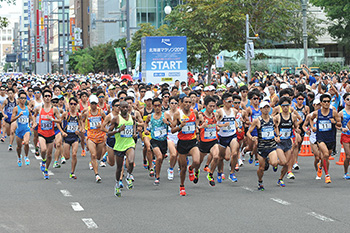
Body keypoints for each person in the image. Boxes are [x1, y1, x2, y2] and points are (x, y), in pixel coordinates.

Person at [171, 95, 200, 196]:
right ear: (182, 103)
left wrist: (196, 128)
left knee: (197, 160)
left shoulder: (194, 112)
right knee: (183, 168)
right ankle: (182, 186)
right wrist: (180, 126)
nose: (188, 104)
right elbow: (172, 130)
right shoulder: (178, 114)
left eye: (189, 102)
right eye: (186, 102)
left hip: (192, 141)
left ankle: (191, 168)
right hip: (182, 142)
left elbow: (196, 121)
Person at [247, 101, 279, 191]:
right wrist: (252, 137)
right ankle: (260, 181)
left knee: (275, 163)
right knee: (261, 168)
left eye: (267, 107)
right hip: (261, 147)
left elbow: (276, 127)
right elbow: (248, 132)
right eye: (264, 107)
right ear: (260, 109)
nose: (266, 109)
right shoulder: (257, 120)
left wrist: (277, 136)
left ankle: (270, 161)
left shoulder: (273, 119)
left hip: (271, 145)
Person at [310, 94, 341, 184]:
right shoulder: (317, 113)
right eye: (324, 101)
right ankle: (327, 175)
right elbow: (311, 119)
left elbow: (339, 124)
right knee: (326, 154)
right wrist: (313, 127)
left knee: (326, 157)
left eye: (328, 101)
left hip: (330, 138)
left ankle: (320, 167)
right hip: (320, 138)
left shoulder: (333, 112)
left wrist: (334, 122)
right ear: (321, 103)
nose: (326, 103)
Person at [108, 101, 137, 197]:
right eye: (123, 107)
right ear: (119, 108)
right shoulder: (116, 119)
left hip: (129, 143)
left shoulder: (132, 117)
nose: (125, 109)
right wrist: (118, 130)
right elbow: (109, 133)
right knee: (119, 168)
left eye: (126, 107)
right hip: (119, 146)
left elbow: (134, 124)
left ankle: (128, 176)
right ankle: (117, 184)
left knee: (131, 161)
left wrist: (134, 133)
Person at [33, 90, 62, 179]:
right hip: (41, 133)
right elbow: (34, 115)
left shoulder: (54, 109)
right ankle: (43, 160)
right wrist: (34, 122)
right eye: (45, 96)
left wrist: (52, 120)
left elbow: (60, 120)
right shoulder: (39, 108)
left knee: (49, 154)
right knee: (43, 150)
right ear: (43, 97)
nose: (47, 97)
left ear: (51, 97)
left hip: (51, 133)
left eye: (49, 96)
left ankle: (46, 169)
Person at [144, 97, 172, 185]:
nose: (157, 107)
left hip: (163, 141)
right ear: (153, 106)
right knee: (159, 157)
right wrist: (145, 130)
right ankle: (157, 177)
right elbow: (145, 122)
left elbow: (173, 125)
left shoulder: (166, 115)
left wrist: (167, 123)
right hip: (154, 140)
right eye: (155, 106)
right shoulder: (150, 116)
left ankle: (157, 170)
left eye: (158, 105)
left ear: (161, 106)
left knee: (161, 159)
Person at [273, 97, 299, 187]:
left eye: (287, 105)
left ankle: (280, 179)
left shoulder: (293, 116)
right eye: (283, 106)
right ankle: (274, 162)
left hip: (288, 142)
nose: (285, 108)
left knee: (287, 164)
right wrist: (275, 137)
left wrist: (297, 131)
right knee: (283, 162)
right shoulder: (277, 117)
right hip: (279, 143)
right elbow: (272, 128)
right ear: (280, 107)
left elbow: (295, 126)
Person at [81, 95, 107, 182]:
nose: (93, 105)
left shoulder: (101, 112)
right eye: (92, 103)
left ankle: (93, 162)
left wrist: (102, 125)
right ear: (90, 104)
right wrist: (82, 128)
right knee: (93, 155)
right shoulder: (87, 112)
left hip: (100, 136)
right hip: (91, 136)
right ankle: (97, 174)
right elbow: (81, 119)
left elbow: (107, 121)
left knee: (98, 157)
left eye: (95, 103)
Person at [216, 93, 240, 183]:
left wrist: (237, 127)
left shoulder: (234, 111)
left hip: (232, 135)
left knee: (234, 153)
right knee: (221, 157)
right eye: (229, 101)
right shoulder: (219, 112)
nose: (231, 103)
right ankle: (219, 172)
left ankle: (232, 173)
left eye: (232, 101)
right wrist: (223, 125)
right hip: (223, 137)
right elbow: (215, 124)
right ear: (224, 102)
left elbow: (234, 121)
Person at [198, 96, 220, 186]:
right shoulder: (201, 116)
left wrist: (217, 127)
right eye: (210, 106)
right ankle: (196, 172)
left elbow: (216, 125)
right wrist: (201, 127)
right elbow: (196, 128)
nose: (212, 108)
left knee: (216, 156)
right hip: (203, 142)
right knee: (198, 162)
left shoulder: (216, 115)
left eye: (213, 106)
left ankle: (210, 174)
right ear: (205, 106)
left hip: (213, 140)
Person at [59, 97, 83, 179]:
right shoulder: (65, 114)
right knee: (67, 157)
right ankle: (63, 155)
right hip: (67, 137)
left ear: (77, 105)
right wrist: (62, 132)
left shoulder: (78, 115)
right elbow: (58, 123)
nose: (73, 106)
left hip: (75, 137)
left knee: (74, 154)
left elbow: (81, 126)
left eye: (74, 104)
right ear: (69, 105)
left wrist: (79, 130)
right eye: (71, 104)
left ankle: (72, 172)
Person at [11, 91, 32, 167]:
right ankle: (19, 157)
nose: (23, 100)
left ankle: (26, 156)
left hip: (26, 129)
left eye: (24, 98)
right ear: (19, 99)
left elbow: (30, 117)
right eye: (22, 98)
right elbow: (12, 120)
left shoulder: (28, 108)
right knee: (19, 146)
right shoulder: (16, 109)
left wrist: (32, 123)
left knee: (26, 143)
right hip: (19, 130)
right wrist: (18, 116)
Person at [166, 96, 179, 180]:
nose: (173, 105)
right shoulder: (166, 113)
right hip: (170, 136)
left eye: (175, 103)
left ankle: (173, 167)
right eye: (172, 103)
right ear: (169, 104)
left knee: (177, 155)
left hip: (179, 135)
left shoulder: (180, 113)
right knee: (173, 154)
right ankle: (170, 169)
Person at [338, 93, 350, 179]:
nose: (349, 101)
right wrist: (342, 128)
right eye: (348, 99)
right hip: (346, 135)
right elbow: (337, 124)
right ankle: (346, 172)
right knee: (348, 156)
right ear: (344, 101)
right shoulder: (341, 113)